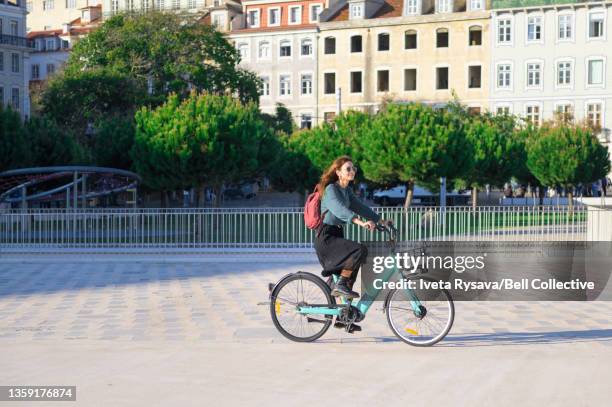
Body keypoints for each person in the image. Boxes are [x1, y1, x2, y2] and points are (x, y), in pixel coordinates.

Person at [314, 156, 391, 299]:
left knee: (354, 267)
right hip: (326, 238)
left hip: (337, 234)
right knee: (359, 250)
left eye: (353, 168)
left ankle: (344, 319)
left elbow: (360, 207)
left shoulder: (347, 191)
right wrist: (362, 223)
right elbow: (339, 209)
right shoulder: (331, 189)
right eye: (348, 169)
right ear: (338, 172)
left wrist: (381, 221)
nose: (352, 171)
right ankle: (340, 284)